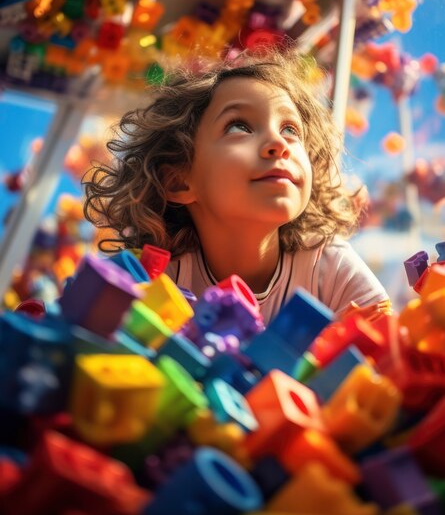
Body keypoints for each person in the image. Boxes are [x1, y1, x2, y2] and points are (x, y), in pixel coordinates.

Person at [83, 50, 390, 324]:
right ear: (178, 181)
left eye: (290, 129)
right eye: (239, 126)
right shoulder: (156, 278)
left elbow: (388, 351)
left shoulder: (330, 268)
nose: (278, 144)